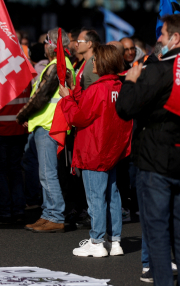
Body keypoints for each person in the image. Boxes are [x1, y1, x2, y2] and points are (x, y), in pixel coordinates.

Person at [115, 14, 180, 286]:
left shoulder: (159, 69)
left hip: (156, 162)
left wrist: (130, 81)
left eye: (162, 34)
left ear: (175, 38)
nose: (159, 39)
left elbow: (125, 109)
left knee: (158, 231)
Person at [58, 45, 133, 257]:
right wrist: (73, 93)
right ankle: (115, 241)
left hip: (94, 150)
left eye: (94, 60)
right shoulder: (119, 86)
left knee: (96, 198)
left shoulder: (98, 88)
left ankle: (97, 241)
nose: (92, 63)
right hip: (112, 149)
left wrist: (66, 99)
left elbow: (78, 117)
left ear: (102, 62)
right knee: (112, 195)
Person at [17, 28, 75, 233]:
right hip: (48, 124)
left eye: (46, 42)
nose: (43, 46)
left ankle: (55, 215)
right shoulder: (59, 65)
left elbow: (41, 97)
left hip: (49, 125)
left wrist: (23, 115)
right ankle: (48, 213)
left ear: (51, 45)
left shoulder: (57, 66)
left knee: (48, 174)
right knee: (46, 173)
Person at [0, 82, 31, 224]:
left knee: (0, 171)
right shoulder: (22, 70)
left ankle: (4, 211)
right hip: (19, 128)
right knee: (15, 169)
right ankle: (18, 210)